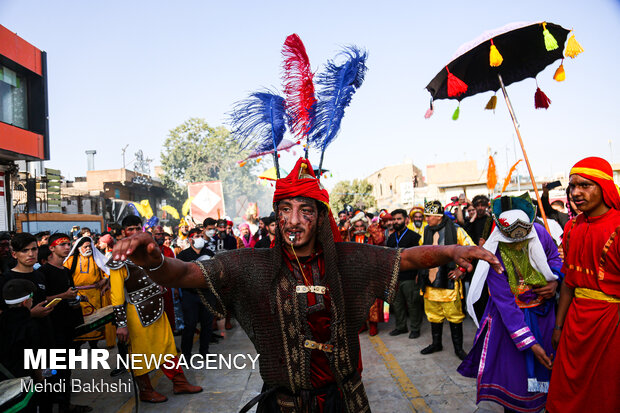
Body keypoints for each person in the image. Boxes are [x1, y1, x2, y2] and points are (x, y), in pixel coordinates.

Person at [111, 157, 502, 412]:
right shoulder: (253, 265)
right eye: (285, 209)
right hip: (283, 405)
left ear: (320, 217)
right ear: (276, 216)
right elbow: (184, 274)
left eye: (305, 210)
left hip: (343, 402)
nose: (294, 220)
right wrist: (155, 260)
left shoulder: (349, 259)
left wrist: (452, 249)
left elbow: (411, 258)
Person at [458, 194, 561, 413]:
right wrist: (531, 344)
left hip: (544, 315)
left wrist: (555, 281)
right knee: (516, 382)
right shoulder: (493, 250)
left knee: (552, 377)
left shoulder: (540, 233)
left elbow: (554, 259)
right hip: (511, 324)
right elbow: (505, 303)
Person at [546, 157, 620, 413]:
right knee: (567, 391)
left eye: (586, 185)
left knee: (605, 392)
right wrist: (558, 325)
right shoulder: (572, 227)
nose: (576, 192)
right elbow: (568, 282)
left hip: (611, 323)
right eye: (573, 186)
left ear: (604, 187)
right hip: (576, 323)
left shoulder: (619, 227)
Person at [108, 215, 203, 403]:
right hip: (136, 312)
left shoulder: (150, 251)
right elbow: (117, 295)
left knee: (168, 347)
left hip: (158, 308)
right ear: (123, 233)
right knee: (140, 353)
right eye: (130, 230)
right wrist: (121, 324)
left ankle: (179, 382)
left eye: (137, 229)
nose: (134, 233)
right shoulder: (118, 259)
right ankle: (146, 390)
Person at [40, 233, 92, 413]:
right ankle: (58, 403)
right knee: (55, 370)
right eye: (61, 244)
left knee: (66, 370)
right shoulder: (43, 272)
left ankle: (65, 404)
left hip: (69, 325)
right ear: (51, 248)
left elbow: (68, 294)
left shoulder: (65, 271)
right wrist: (64, 296)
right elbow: (42, 300)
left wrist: (76, 297)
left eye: (68, 244)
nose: (66, 247)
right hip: (53, 328)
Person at [419, 200, 475, 360]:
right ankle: (436, 343)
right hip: (430, 283)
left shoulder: (456, 230)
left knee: (454, 315)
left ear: (438, 216)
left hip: (449, 281)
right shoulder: (426, 231)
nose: (427, 219)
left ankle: (458, 349)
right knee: (433, 314)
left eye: (429, 216)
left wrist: (461, 269)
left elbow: (471, 249)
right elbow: (420, 251)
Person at [0, 279, 48, 412]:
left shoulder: (2, 320)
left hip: (5, 383)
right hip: (25, 381)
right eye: (32, 299)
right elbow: (34, 357)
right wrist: (40, 378)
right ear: (25, 302)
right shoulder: (30, 325)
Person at [64, 236, 115, 347]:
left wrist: (105, 280)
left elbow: (109, 269)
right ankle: (77, 345)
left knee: (94, 321)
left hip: (94, 294)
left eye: (89, 246)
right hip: (77, 295)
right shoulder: (70, 261)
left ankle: (94, 343)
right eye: (85, 247)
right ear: (78, 248)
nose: (88, 248)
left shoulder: (97, 259)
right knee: (79, 321)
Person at [176, 228, 215, 360]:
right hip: (190, 294)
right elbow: (178, 275)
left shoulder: (209, 253)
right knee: (190, 325)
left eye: (201, 236)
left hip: (206, 293)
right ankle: (186, 355)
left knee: (207, 324)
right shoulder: (183, 256)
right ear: (190, 239)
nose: (200, 238)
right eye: (196, 236)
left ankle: (204, 352)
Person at [387, 209, 423, 339]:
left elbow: (420, 257)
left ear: (406, 220)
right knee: (397, 304)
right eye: (394, 219)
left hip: (410, 276)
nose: (396, 222)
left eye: (399, 219)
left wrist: (419, 273)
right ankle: (401, 327)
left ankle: (415, 328)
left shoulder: (414, 237)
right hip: (395, 277)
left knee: (413, 303)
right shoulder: (391, 238)